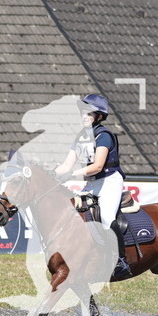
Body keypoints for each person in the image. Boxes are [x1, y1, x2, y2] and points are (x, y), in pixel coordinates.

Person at [55, 94, 131, 278]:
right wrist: (52, 174)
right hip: (92, 183)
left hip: (109, 181)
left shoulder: (103, 136)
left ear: (98, 116)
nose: (83, 116)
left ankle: (121, 260)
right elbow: (66, 165)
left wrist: (72, 174)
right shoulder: (80, 137)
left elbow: (97, 166)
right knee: (73, 212)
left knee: (105, 217)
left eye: (88, 113)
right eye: (82, 112)